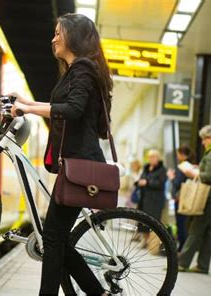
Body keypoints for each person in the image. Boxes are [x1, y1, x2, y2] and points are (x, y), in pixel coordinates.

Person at [10, 13, 111, 296]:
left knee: (53, 237)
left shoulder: (84, 69)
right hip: (75, 162)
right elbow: (63, 105)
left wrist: (28, 110)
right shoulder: (79, 70)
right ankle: (96, 291)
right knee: (57, 237)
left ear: (74, 36)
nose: (53, 38)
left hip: (81, 163)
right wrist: (26, 102)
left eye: (58, 33)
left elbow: (72, 110)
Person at [177, 125, 211, 274]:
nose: (202, 142)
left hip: (210, 194)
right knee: (208, 230)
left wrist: (193, 173)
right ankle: (203, 265)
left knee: (196, 228)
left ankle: (181, 263)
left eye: (204, 139)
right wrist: (198, 169)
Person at [135, 149, 167, 245]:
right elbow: (141, 178)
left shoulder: (162, 169)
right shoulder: (146, 167)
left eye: (153, 157)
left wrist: (147, 182)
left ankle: (151, 242)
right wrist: (138, 182)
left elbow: (161, 183)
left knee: (152, 220)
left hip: (155, 200)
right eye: (149, 157)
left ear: (158, 158)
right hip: (144, 198)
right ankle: (144, 239)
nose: (151, 159)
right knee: (142, 219)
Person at [167, 145, 195, 252]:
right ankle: (183, 246)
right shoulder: (190, 166)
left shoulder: (183, 166)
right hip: (186, 198)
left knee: (181, 224)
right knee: (183, 223)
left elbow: (177, 183)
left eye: (179, 154)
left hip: (180, 199)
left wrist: (171, 177)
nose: (177, 156)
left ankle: (182, 247)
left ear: (183, 155)